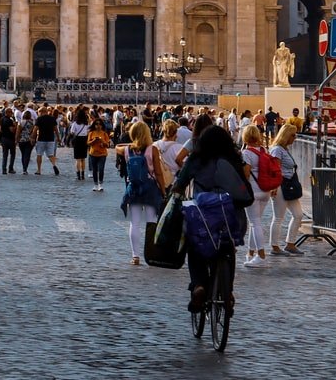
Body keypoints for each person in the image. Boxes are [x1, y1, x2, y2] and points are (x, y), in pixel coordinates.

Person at [168, 124, 252, 314]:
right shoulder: (233, 158)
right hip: (231, 216)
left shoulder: (197, 159)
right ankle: (228, 292)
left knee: (195, 248)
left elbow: (180, 183)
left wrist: (177, 192)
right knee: (228, 249)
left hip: (204, 217)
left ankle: (199, 285)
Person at [118, 120, 166, 265]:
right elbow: (158, 173)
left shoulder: (127, 150)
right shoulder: (153, 150)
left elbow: (116, 146)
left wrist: (131, 144)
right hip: (150, 187)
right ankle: (151, 253)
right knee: (151, 221)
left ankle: (135, 256)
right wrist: (163, 190)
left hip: (133, 188)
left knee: (135, 222)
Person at [240, 125, 277, 265]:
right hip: (265, 191)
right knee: (255, 222)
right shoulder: (264, 150)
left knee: (255, 223)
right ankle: (250, 253)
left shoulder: (247, 153)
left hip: (253, 192)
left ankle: (261, 256)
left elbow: (246, 173)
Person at [270, 121, 304, 255]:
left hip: (289, 185)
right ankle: (274, 246)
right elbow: (274, 169)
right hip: (279, 186)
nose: (295, 138)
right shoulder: (277, 150)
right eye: (293, 135)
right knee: (278, 217)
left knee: (298, 215)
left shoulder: (284, 150)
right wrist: (273, 186)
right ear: (286, 135)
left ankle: (290, 243)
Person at [86, 117, 112, 191]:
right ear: (94, 125)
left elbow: (107, 145)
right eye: (96, 124)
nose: (98, 126)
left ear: (102, 125)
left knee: (101, 169)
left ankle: (100, 184)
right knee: (94, 169)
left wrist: (102, 140)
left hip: (102, 154)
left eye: (100, 124)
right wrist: (94, 140)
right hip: (93, 154)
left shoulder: (104, 134)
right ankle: (95, 184)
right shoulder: (91, 133)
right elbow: (88, 143)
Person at [34, 107, 60, 176]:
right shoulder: (52, 119)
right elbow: (56, 129)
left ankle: (39, 170)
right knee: (51, 155)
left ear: (41, 112)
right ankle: (54, 165)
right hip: (50, 139)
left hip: (41, 139)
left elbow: (35, 129)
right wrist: (58, 138)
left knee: (39, 154)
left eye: (39, 112)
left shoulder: (39, 119)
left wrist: (33, 138)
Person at [68, 106, 91, 181]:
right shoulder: (86, 123)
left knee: (77, 159)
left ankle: (78, 175)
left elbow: (72, 132)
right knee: (83, 159)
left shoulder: (75, 123)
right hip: (84, 140)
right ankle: (83, 174)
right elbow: (88, 132)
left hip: (77, 140)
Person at [17, 110, 37, 174]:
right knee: (27, 155)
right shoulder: (32, 123)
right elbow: (34, 132)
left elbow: (18, 132)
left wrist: (16, 139)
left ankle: (24, 168)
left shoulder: (21, 122)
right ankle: (25, 168)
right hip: (29, 140)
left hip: (22, 140)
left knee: (23, 154)